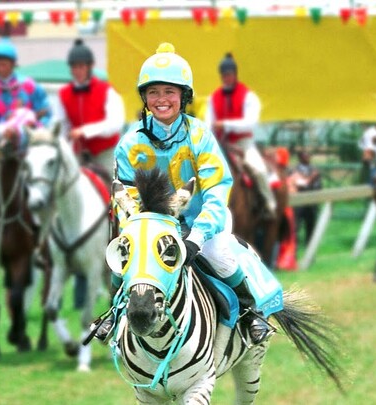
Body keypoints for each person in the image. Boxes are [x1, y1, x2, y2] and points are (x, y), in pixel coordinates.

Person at [97, 43, 271, 345]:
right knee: (124, 257)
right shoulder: (129, 143)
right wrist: (138, 232)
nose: (161, 99)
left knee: (219, 254)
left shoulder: (200, 135)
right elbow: (126, 196)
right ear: (144, 98)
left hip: (201, 223)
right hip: (152, 228)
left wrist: (195, 237)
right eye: (153, 92)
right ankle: (113, 312)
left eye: (169, 91)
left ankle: (249, 311)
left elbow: (217, 191)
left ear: (184, 96)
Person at [205, 52, 277, 218]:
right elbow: (209, 122)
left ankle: (269, 204)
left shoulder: (248, 96)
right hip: (221, 144)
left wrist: (226, 124)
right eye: (223, 75)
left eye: (229, 74)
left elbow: (250, 122)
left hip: (243, 144)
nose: (226, 78)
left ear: (235, 74)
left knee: (258, 170)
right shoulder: (213, 98)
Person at [0, 38, 52, 178]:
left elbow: (47, 113)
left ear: (13, 64)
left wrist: (32, 128)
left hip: (29, 140)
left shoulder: (29, 85)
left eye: (3, 64)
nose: (0, 69)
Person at [53, 38, 125, 175]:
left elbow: (115, 123)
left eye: (81, 67)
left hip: (104, 153)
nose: (78, 71)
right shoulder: (63, 94)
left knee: (113, 187)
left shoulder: (107, 90)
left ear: (90, 67)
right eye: (74, 67)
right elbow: (62, 126)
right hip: (78, 153)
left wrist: (85, 131)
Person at [290, 151, 322, 246]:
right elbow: (299, 184)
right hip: (299, 201)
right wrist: (310, 180)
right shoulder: (295, 170)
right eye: (305, 155)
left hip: (311, 201)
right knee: (296, 224)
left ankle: (310, 243)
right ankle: (295, 243)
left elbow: (318, 185)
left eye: (309, 155)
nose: (308, 157)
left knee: (311, 223)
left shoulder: (314, 169)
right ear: (300, 157)